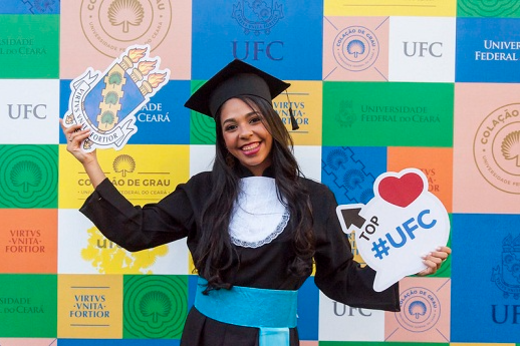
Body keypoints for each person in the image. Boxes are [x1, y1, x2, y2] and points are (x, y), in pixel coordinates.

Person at [61, 59, 451, 346]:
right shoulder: (202, 191)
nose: (244, 134)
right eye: (231, 127)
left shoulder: (315, 198)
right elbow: (136, 230)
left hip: (274, 338)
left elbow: (338, 277)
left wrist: (406, 267)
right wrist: (90, 162)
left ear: (271, 123)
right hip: (205, 335)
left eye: (254, 120)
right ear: (222, 138)